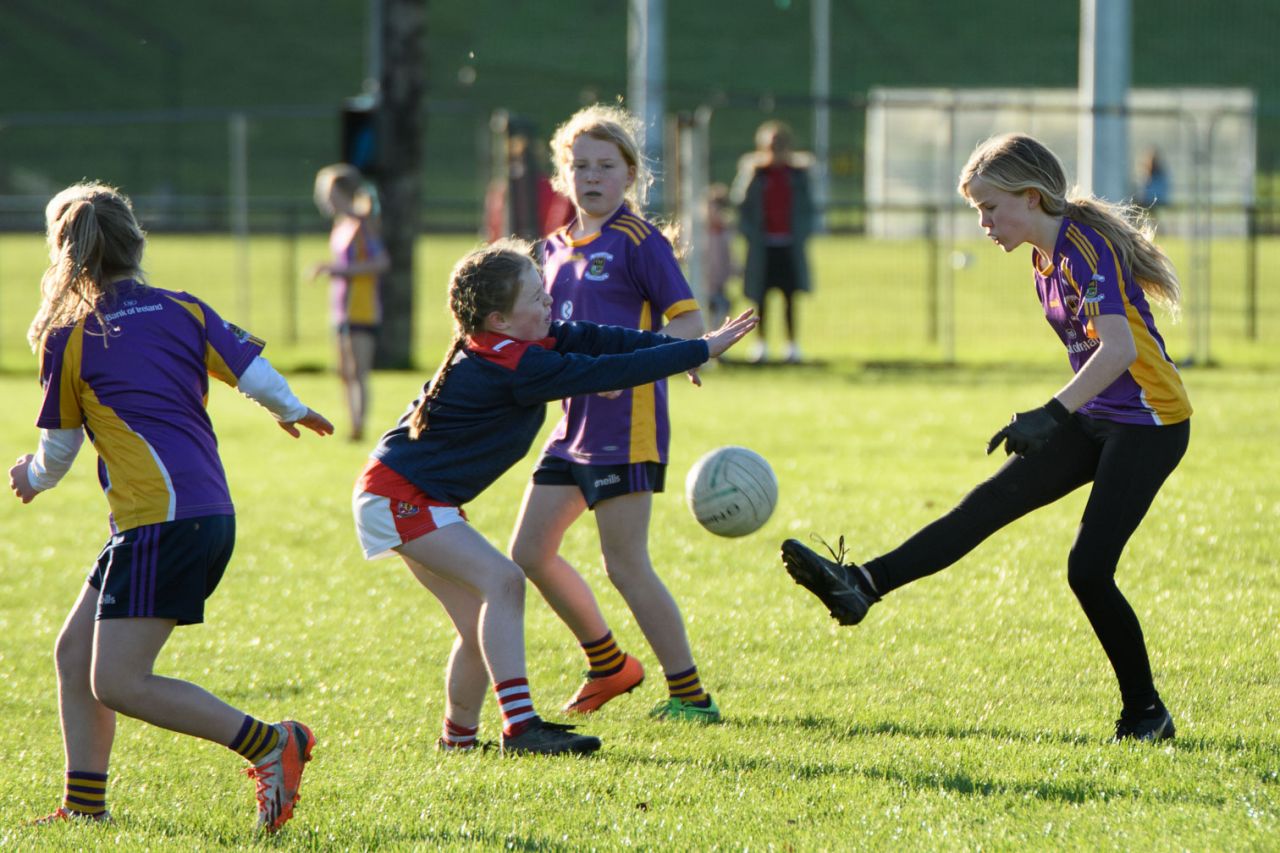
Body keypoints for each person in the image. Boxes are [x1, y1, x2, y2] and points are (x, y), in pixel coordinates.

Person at [779, 133, 1192, 743]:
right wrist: (1062, 415)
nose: (984, 223)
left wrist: (1051, 414)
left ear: (1030, 198)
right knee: (988, 504)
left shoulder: (1084, 246)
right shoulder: (1043, 257)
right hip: (1099, 411)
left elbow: (1121, 349)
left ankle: (1146, 714)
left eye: (989, 208)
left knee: (1088, 569)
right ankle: (863, 584)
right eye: (978, 210)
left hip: (1150, 421)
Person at [8, 182, 334, 831]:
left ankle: (273, 742)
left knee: (121, 681)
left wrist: (33, 477)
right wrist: (293, 410)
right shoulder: (183, 309)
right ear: (137, 242)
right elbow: (253, 372)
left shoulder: (72, 338)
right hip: (194, 513)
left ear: (66, 260)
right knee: (76, 653)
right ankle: (84, 804)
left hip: (163, 522)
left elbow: (61, 446)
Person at [352, 239, 756, 753]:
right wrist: (700, 350)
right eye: (537, 296)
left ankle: (457, 741)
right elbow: (601, 372)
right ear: (499, 318)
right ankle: (520, 728)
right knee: (504, 582)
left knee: (481, 618)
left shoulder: (521, 346)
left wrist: (673, 351)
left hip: (397, 495)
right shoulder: (510, 363)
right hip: (401, 496)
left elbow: (601, 342)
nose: (550, 302)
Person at [508, 104, 723, 724]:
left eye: (606, 166)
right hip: (569, 430)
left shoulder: (638, 241)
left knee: (624, 563)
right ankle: (609, 664)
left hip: (625, 424)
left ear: (630, 175)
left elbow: (687, 321)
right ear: (562, 176)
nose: (592, 176)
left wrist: (673, 357)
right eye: (580, 166)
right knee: (529, 553)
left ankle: (691, 696)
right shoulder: (549, 249)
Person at [311, 163, 390, 442]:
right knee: (344, 371)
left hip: (362, 307)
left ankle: (359, 425)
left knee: (359, 370)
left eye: (329, 192)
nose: (324, 199)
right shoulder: (340, 226)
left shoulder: (362, 226)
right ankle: (352, 424)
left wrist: (336, 270)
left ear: (344, 193)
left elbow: (381, 262)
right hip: (341, 307)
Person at [731, 120, 815, 364]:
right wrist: (750, 233)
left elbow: (808, 209)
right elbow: (742, 207)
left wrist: (801, 233)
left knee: (790, 296)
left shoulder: (798, 176)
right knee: (761, 297)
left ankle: (792, 345)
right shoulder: (756, 175)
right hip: (763, 246)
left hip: (789, 244)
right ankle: (761, 344)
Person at [703, 183, 736, 324]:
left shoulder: (724, 231)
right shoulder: (701, 231)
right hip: (705, 279)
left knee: (720, 308)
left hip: (720, 279)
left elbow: (730, 254)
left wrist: (734, 270)